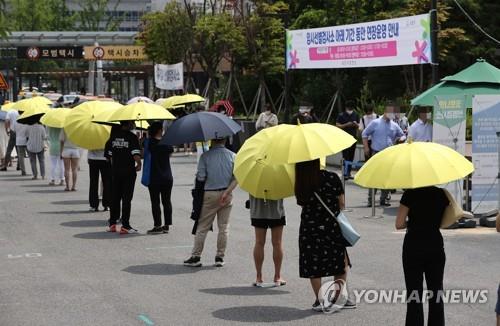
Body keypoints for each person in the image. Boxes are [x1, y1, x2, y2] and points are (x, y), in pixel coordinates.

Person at [294, 159, 355, 311]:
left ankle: (320, 300)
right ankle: (337, 297)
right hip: (331, 226)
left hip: (309, 228)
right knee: (340, 262)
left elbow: (301, 202)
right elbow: (341, 204)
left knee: (313, 262)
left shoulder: (301, 181)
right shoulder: (332, 177)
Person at [396, 186, 450, 326]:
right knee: (436, 291)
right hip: (435, 244)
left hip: (413, 245)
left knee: (414, 292)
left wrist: (413, 222)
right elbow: (445, 220)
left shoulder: (410, 194)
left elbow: (399, 224)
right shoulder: (441, 194)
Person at [184, 137, 236, 268]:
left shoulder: (205, 156)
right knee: (224, 227)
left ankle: (196, 256)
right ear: (225, 141)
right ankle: (220, 256)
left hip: (209, 193)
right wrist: (227, 191)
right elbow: (237, 177)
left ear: (213, 140)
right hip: (226, 193)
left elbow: (201, 177)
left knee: (202, 226)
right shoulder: (233, 156)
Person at [361, 103, 405, 206]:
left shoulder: (394, 125)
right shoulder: (375, 123)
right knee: (374, 177)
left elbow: (402, 135)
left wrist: (401, 139)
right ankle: (370, 200)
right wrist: (366, 147)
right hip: (376, 153)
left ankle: (383, 199)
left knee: (387, 177)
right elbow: (364, 134)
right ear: (385, 112)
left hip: (389, 154)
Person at [106, 121, 142, 234]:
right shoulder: (132, 137)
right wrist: (139, 164)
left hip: (115, 171)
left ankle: (112, 223)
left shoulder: (112, 138)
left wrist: (115, 165)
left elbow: (109, 156)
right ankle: (125, 226)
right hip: (128, 172)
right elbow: (135, 154)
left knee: (115, 197)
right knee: (127, 199)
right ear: (128, 124)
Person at [142, 121, 174, 235]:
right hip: (167, 176)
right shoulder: (167, 143)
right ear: (160, 130)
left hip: (154, 176)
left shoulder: (149, 143)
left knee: (155, 201)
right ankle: (167, 225)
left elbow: (143, 154)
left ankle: (157, 225)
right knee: (167, 201)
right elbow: (170, 153)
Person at [249, 195, 286, 287]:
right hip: (276, 211)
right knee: (277, 243)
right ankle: (277, 276)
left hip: (258, 211)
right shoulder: (278, 179)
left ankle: (258, 276)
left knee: (259, 242)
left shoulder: (254, 180)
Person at [336, 100, 360, 180]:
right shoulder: (341, 115)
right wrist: (346, 125)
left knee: (351, 156)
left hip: (353, 138)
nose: (350, 109)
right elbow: (337, 125)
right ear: (346, 107)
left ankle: (349, 172)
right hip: (344, 139)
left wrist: (356, 124)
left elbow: (359, 126)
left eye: (351, 108)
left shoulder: (356, 115)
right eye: (349, 107)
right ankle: (344, 173)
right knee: (345, 156)